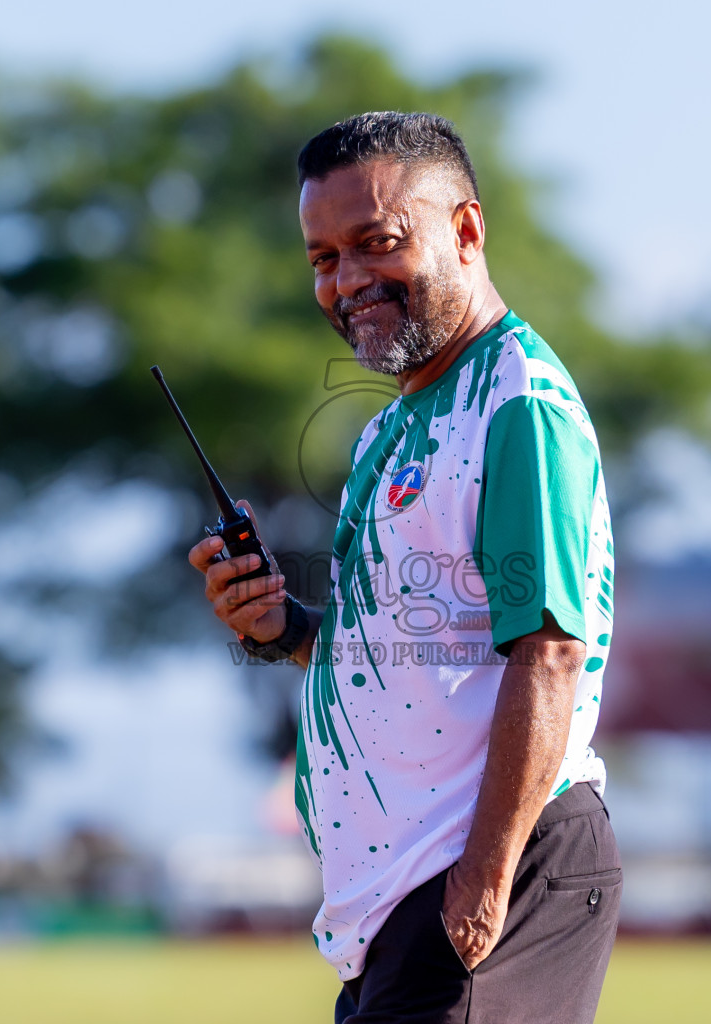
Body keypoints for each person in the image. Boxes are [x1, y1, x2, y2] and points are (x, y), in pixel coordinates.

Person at [188, 111, 620, 1024]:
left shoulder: (518, 405)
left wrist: (486, 882)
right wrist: (282, 626)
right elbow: (396, 657)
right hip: (401, 896)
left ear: (465, 231)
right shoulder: (394, 427)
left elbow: (548, 651)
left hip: (489, 865)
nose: (347, 282)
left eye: (375, 244)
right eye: (321, 259)